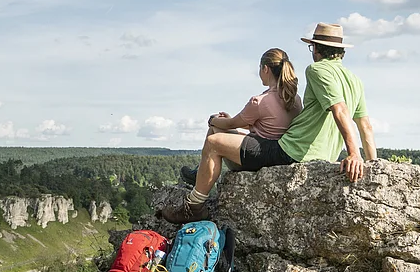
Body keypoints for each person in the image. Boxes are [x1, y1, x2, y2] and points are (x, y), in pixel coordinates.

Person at [159, 23, 376, 224]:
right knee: (220, 138)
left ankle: (193, 206)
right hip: (318, 155)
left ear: (316, 49)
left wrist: (353, 154)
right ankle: (199, 182)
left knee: (214, 142)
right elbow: (365, 125)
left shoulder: (317, 70)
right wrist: (373, 164)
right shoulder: (355, 80)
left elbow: (339, 109)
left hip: (292, 151)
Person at [178, 48, 303, 184]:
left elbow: (231, 124)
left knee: (214, 132)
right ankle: (199, 171)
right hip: (279, 153)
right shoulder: (294, 99)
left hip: (258, 156)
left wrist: (213, 120)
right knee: (219, 129)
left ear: (265, 69)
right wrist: (227, 120)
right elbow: (268, 122)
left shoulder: (260, 101)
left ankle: (199, 176)